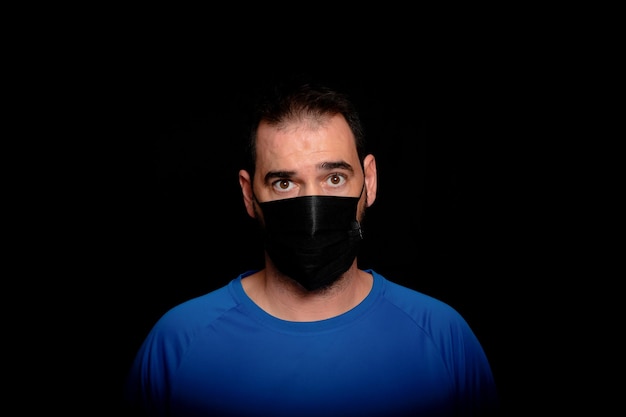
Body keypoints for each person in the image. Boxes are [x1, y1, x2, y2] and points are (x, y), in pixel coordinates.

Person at [123, 74, 499, 416]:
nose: (312, 206)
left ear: (369, 180)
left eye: (334, 178)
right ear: (248, 194)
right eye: (284, 184)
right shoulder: (177, 343)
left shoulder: (444, 336)